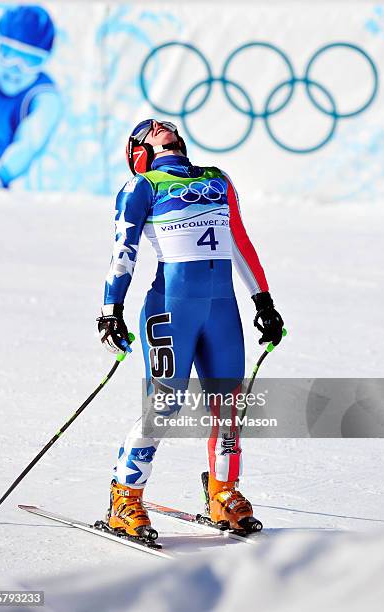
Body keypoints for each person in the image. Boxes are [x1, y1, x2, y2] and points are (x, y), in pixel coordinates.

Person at [97, 119, 284, 541]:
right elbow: (122, 252)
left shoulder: (218, 179)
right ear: (139, 155)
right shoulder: (141, 187)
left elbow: (239, 240)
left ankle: (223, 492)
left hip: (222, 310)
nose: (162, 128)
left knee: (229, 405)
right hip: (169, 309)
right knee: (164, 406)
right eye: (151, 131)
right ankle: (125, 496)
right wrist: (111, 311)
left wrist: (264, 301)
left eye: (166, 128)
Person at [0, 5, 61, 189]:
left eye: (30, 60)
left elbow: (29, 142)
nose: (15, 69)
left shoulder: (44, 97)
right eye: (7, 53)